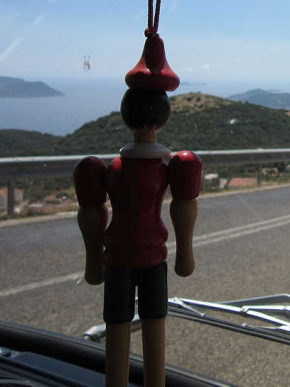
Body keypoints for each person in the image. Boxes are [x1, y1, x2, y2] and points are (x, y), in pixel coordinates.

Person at [73, 33, 203, 387]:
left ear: (126, 115)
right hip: (153, 256)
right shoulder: (171, 166)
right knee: (154, 327)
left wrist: (94, 262)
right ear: (162, 119)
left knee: (117, 327)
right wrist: (185, 255)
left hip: (116, 256)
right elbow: (184, 206)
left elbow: (92, 211)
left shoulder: (109, 168)